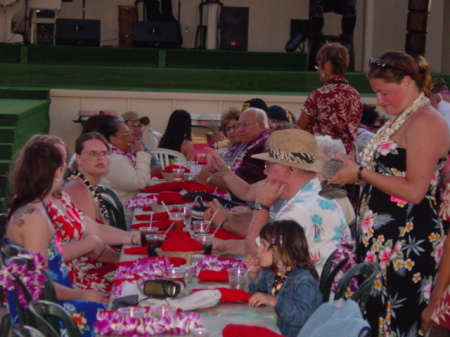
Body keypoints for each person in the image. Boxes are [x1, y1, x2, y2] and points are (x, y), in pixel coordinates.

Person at [329, 51, 449, 336]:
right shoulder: (403, 118)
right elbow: (386, 175)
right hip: (384, 240)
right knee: (373, 321)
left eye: (384, 93)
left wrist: (359, 174)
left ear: (408, 82)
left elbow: (415, 191)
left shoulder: (425, 122)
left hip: (405, 242)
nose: (380, 101)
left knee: (393, 324)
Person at [207, 129, 350, 275]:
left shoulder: (299, 210)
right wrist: (225, 246)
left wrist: (261, 206)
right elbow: (265, 246)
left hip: (308, 295)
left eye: (268, 165)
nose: (264, 172)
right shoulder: (313, 195)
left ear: (286, 169)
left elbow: (255, 260)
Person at [3, 141, 108, 337]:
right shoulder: (34, 216)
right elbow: (39, 283)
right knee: (122, 318)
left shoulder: (33, 206)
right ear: (59, 171)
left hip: (48, 305)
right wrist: (83, 294)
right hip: (46, 317)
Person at [23, 134, 141, 293]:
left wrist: (136, 238)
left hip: (74, 278)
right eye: (55, 159)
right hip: (61, 288)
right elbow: (40, 261)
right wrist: (96, 247)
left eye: (64, 159)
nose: (63, 166)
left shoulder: (61, 197)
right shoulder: (32, 207)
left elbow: (96, 230)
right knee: (134, 289)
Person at [244, 220, 322, 337]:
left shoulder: (304, 280)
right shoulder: (274, 272)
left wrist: (275, 301)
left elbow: (304, 316)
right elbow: (256, 292)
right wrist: (254, 275)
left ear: (281, 248)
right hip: (275, 328)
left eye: (264, 245)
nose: (258, 250)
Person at [296, 42, 363, 156]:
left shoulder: (319, 94)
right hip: (348, 157)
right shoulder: (355, 95)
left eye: (319, 66)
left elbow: (298, 129)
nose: (318, 71)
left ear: (327, 65)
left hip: (322, 156)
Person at [96, 115, 151, 225]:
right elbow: (139, 182)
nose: (131, 139)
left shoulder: (118, 155)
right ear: (113, 139)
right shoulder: (114, 159)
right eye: (126, 135)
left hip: (123, 213)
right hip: (119, 220)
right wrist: (141, 153)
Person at [197, 108, 270, 190]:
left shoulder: (261, 147)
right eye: (239, 125)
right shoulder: (251, 145)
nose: (239, 130)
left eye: (245, 124)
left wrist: (207, 179)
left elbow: (242, 185)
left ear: (261, 125)